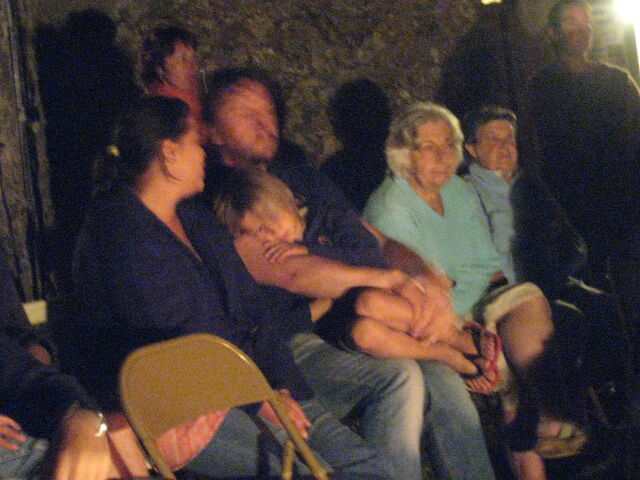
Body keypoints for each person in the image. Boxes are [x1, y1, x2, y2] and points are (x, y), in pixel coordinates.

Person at [70, 95, 389, 479]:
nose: (203, 153)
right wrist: (258, 398)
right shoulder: (119, 233)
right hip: (184, 406)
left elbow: (252, 308)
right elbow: (180, 340)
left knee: (368, 467)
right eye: (195, 143)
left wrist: (281, 386)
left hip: (250, 385)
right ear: (169, 153)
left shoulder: (196, 219)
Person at [203, 67, 497, 480]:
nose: (263, 122)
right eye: (245, 112)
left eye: (268, 111)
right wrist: (384, 277)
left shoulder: (300, 175)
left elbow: (373, 239)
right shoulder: (222, 197)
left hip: (354, 309)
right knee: (402, 375)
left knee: (442, 380)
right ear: (213, 130)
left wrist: (426, 276)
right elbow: (291, 271)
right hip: (292, 335)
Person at [363, 101, 565, 480]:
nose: (443, 157)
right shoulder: (390, 208)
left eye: (449, 145)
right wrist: (465, 314)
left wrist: (478, 294)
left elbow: (486, 264)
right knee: (506, 378)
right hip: (436, 320)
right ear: (404, 153)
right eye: (429, 147)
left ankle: (544, 412)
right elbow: (421, 294)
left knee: (528, 297)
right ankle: (539, 419)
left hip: (478, 299)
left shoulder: (456, 190)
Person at [213, 166, 502, 393]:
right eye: (258, 233)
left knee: (370, 302)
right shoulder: (278, 259)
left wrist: (311, 252)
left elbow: (367, 254)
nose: (270, 237)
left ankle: (457, 337)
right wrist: (319, 304)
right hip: (344, 322)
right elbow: (285, 318)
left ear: (286, 200)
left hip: (382, 299)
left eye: (269, 222)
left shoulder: (326, 217)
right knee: (365, 333)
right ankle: (445, 354)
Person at [529, 0, 640, 293]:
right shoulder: (542, 87)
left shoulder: (616, 81)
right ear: (553, 33)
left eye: (585, 21)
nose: (581, 28)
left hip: (627, 205)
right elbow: (540, 151)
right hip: (577, 211)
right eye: (571, 21)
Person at [139, 26, 206, 138]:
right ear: (160, 68)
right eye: (183, 59)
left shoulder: (195, 102)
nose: (194, 67)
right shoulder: (163, 115)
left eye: (193, 59)